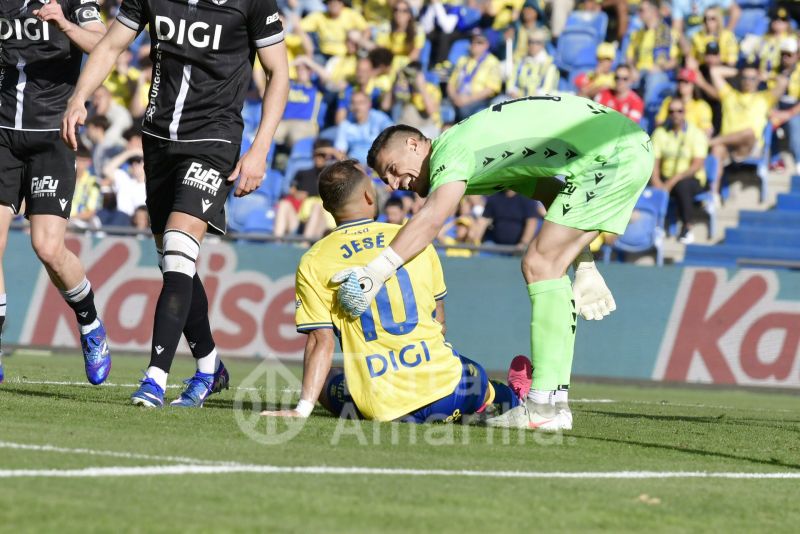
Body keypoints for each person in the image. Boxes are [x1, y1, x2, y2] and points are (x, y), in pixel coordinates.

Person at [335, 93, 654, 431]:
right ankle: (554, 403)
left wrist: (375, 272)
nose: (396, 185)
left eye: (393, 171)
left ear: (414, 144)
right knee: (547, 266)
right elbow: (551, 194)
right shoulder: (481, 155)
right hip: (624, 147)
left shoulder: (451, 150)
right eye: (387, 181)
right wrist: (585, 264)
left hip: (614, 153)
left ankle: (542, 405)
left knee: (539, 264)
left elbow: (431, 219)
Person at [62, 0, 290, 407]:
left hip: (214, 139)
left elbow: (278, 73)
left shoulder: (252, 3)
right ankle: (209, 366)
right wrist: (80, 96)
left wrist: (260, 149)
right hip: (159, 139)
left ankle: (154, 378)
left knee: (180, 246)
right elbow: (112, 45)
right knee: (174, 261)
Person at [260, 160, 529, 425]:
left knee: (330, 380)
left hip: (386, 408)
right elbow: (440, 324)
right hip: (451, 392)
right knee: (471, 372)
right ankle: (510, 399)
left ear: (327, 207)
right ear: (368, 194)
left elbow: (321, 342)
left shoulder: (314, 259)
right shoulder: (415, 238)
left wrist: (302, 409)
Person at [0, 0, 111, 386]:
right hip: (2, 135)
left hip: (52, 135)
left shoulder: (74, 1)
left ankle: (90, 323)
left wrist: (63, 23)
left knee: (47, 248)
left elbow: (104, 45)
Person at [706, 64, 786, 202]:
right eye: (745, 77)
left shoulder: (764, 98)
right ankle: (713, 195)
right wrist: (739, 71)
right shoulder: (729, 95)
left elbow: (783, 81)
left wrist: (766, 75)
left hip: (750, 147)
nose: (748, 81)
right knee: (717, 149)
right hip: (727, 147)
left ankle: (708, 142)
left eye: (752, 78)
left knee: (749, 133)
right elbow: (714, 70)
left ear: (758, 80)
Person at [650, 100, 709, 244]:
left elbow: (697, 164)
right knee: (648, 188)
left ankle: (687, 225)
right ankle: (654, 225)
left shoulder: (696, 133)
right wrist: (656, 181)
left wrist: (674, 180)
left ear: (685, 113)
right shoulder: (659, 133)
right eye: (671, 111)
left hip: (690, 177)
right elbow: (653, 162)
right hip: (666, 176)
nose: (675, 115)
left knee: (683, 186)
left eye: (679, 111)